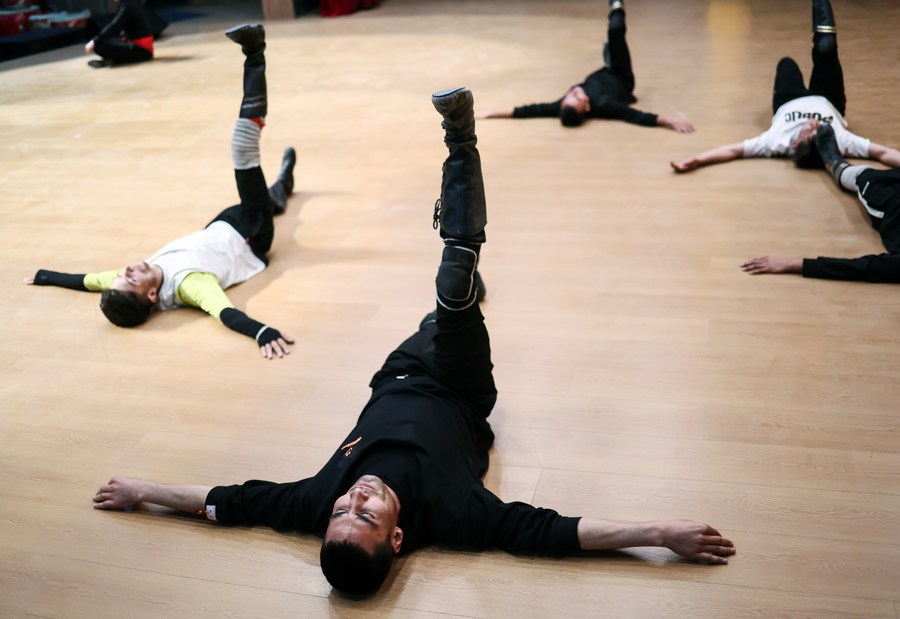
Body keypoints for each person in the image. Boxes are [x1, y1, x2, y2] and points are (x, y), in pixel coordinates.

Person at [91, 85, 735, 597]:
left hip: (396, 371)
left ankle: (462, 298)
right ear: (396, 539)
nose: (354, 499)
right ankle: (461, 141)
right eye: (366, 515)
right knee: (452, 287)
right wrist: (658, 533)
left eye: (342, 510)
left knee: (446, 310)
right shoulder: (453, 515)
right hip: (459, 386)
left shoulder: (315, 503)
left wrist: (142, 491)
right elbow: (552, 533)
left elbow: (224, 503)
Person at [27, 24, 296, 360]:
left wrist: (44, 276)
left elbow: (87, 280)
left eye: (119, 276)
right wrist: (261, 332)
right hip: (251, 235)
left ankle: (283, 185)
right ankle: (255, 52)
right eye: (129, 279)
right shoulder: (189, 285)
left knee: (268, 199)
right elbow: (225, 312)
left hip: (221, 225)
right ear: (153, 296)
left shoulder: (134, 278)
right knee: (243, 149)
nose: (125, 271)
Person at [671, 0, 900, 173]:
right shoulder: (839, 142)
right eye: (819, 130)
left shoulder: (776, 141)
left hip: (788, 99)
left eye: (808, 132)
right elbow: (883, 153)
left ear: (794, 143)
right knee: (826, 48)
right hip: (829, 99)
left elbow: (733, 150)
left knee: (786, 63)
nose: (814, 124)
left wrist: (696, 160)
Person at [477, 1, 694, 133]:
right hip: (620, 74)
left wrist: (489, 113)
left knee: (609, 48)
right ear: (588, 107)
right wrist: (671, 122)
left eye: (570, 95)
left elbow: (527, 111)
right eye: (577, 96)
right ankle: (616, 4)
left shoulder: (562, 106)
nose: (574, 91)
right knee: (615, 31)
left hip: (604, 70)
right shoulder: (605, 105)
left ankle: (608, 49)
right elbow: (636, 116)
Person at [742, 123, 900, 283]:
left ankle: (832, 160)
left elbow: (863, 268)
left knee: (861, 177)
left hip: (888, 196)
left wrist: (792, 264)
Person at [84, 0, 161, 68]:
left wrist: (94, 41)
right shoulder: (131, 3)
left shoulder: (127, 6)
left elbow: (115, 26)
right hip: (139, 48)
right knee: (107, 40)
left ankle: (114, 61)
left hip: (142, 51)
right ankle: (113, 60)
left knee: (98, 46)